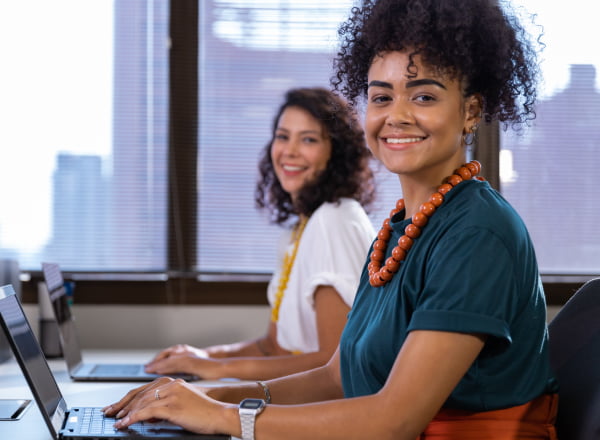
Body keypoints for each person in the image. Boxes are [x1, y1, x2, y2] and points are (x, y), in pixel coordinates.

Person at [104, 1, 559, 438]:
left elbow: (392, 423)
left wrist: (224, 418)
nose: (396, 115)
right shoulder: (399, 228)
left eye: (423, 95)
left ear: (471, 111)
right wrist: (207, 395)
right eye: (381, 97)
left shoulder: (477, 232)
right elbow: (335, 378)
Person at [143, 86, 376, 381]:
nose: (289, 151)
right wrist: (205, 356)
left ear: (336, 153)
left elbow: (335, 364)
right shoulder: (302, 229)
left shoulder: (334, 220)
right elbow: (272, 347)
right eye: (282, 136)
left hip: (319, 411)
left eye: (309, 139)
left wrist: (216, 370)